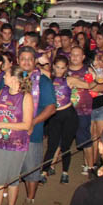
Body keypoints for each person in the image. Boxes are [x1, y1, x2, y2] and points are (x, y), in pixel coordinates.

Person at [0, 65, 33, 205]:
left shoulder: (25, 97)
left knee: (13, 179)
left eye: (6, 75)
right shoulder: (3, 93)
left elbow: (26, 124)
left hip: (17, 144)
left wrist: (1, 124)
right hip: (0, 142)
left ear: (14, 79)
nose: (3, 77)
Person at [16, 46, 56, 205]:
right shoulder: (12, 78)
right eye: (23, 58)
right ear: (18, 61)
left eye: (29, 59)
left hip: (34, 132)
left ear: (34, 62)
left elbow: (51, 108)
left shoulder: (43, 81)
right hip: (12, 133)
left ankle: (29, 200)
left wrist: (33, 121)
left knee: (32, 170)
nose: (26, 62)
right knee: (12, 167)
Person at [41, 56, 78, 185]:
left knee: (65, 146)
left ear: (66, 68)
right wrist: (41, 60)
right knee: (52, 145)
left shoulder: (69, 79)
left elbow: (90, 85)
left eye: (62, 68)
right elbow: (33, 69)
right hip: (54, 115)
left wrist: (98, 77)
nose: (59, 70)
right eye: (57, 67)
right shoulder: (48, 77)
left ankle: (65, 172)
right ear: (53, 66)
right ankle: (44, 172)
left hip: (69, 115)